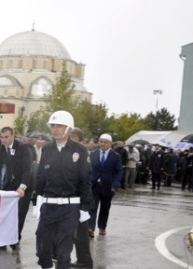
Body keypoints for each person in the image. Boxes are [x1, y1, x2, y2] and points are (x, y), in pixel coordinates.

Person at [35, 110, 92, 269]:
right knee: (43, 250)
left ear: (68, 128)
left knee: (63, 253)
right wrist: (36, 201)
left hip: (70, 207)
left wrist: (85, 207)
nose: (55, 129)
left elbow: (85, 180)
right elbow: (41, 177)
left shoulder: (79, 151)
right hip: (48, 206)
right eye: (53, 126)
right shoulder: (47, 150)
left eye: (59, 126)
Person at [0, 126, 32, 250]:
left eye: (6, 137)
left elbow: (27, 169)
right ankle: (2, 238)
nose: (4, 140)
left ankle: (15, 238)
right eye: (1, 137)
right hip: (7, 185)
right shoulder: (0, 148)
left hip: (23, 185)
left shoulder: (23, 148)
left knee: (19, 213)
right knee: (5, 213)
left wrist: (22, 186)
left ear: (13, 136)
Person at [88, 133, 122, 238]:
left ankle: (102, 227)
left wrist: (115, 184)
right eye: (101, 142)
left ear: (110, 144)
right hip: (94, 186)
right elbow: (88, 169)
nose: (102, 144)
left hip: (108, 186)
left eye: (105, 142)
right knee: (92, 207)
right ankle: (90, 228)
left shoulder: (115, 156)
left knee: (105, 208)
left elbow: (118, 172)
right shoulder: (93, 154)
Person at [68, 128, 93, 269]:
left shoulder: (81, 153)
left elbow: (86, 180)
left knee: (81, 234)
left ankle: (85, 262)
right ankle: (82, 260)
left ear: (78, 139)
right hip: (71, 198)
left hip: (80, 199)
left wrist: (84, 205)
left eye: (72, 138)